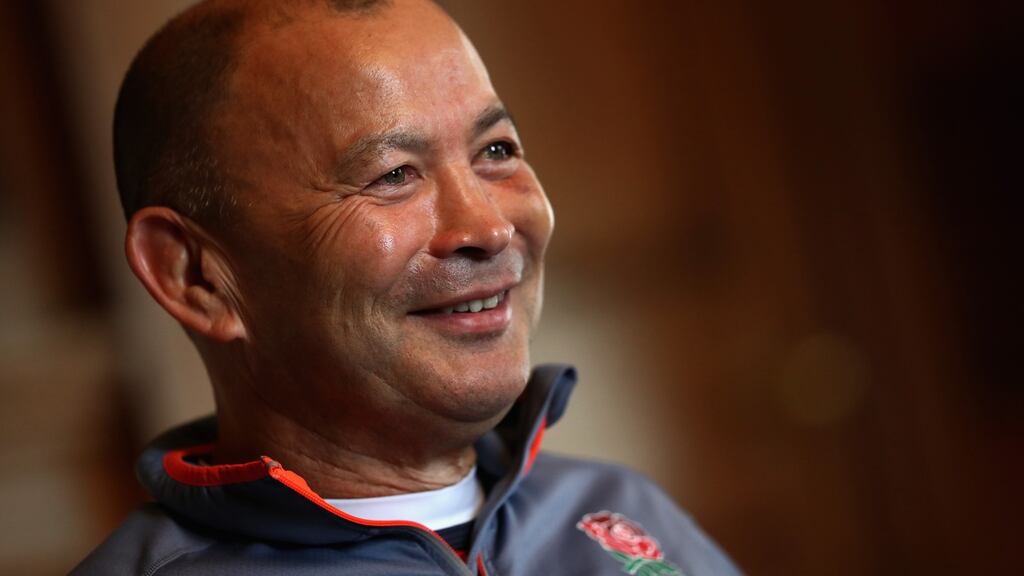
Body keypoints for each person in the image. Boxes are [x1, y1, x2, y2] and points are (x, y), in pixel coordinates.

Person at [72, 0, 741, 574]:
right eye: (393, 174)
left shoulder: (623, 513)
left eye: (497, 151)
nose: (489, 227)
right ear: (195, 275)